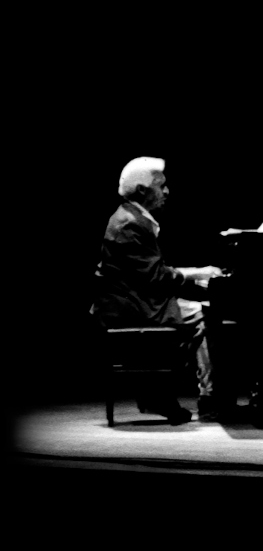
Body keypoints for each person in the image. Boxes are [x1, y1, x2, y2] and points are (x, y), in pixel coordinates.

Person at [91, 157, 227, 424]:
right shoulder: (130, 223)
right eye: (161, 186)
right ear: (143, 190)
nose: (166, 191)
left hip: (136, 300)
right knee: (206, 316)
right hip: (129, 307)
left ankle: (159, 391)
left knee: (199, 312)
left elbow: (150, 271)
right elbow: (156, 276)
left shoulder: (134, 217)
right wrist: (199, 273)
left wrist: (194, 275)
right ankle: (207, 399)